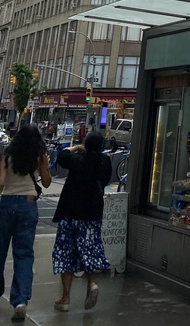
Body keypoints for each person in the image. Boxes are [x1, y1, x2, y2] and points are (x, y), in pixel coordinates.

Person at [52, 132, 112, 312]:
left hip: (70, 212)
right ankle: (92, 283)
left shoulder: (77, 160)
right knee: (90, 249)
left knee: (65, 253)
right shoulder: (105, 161)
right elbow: (106, 180)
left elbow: (62, 156)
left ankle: (65, 298)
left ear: (86, 144)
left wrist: (75, 147)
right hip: (92, 214)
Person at [0, 124, 52, 322]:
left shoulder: (7, 155)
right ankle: (20, 301)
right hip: (28, 206)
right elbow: (46, 183)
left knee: (0, 250)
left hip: (6, 205)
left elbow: (1, 182)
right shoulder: (39, 157)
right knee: (23, 255)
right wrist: (44, 166)